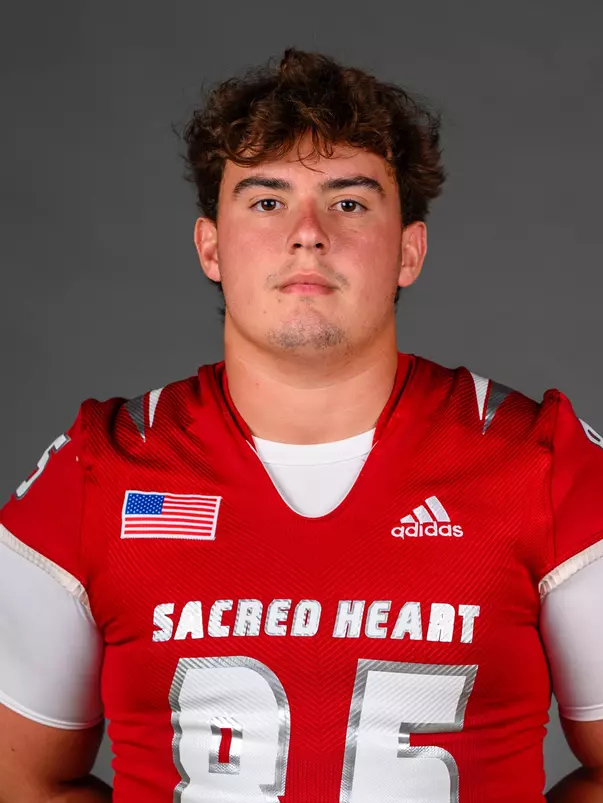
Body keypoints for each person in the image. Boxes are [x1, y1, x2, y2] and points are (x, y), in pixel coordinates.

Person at [0, 47, 602, 803]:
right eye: (265, 200)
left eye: (349, 203)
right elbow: (20, 778)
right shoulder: (99, 468)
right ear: (210, 247)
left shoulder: (540, 460)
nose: (307, 233)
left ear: (408, 250)